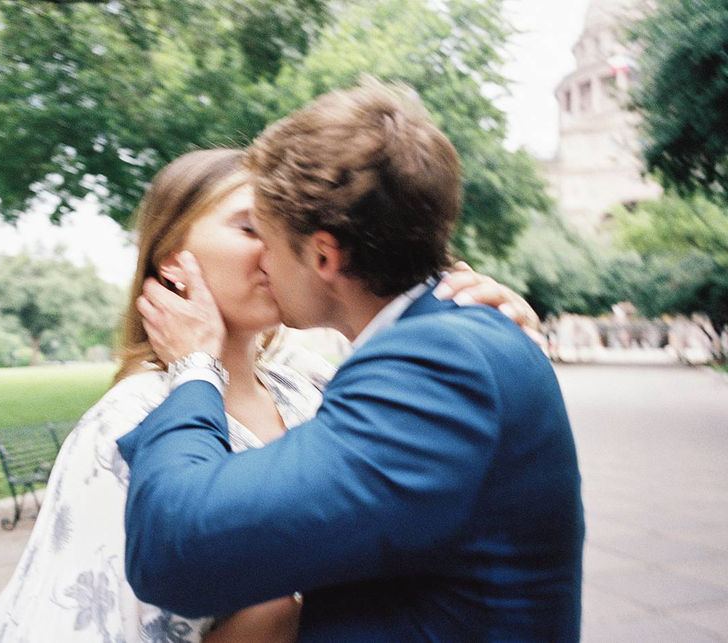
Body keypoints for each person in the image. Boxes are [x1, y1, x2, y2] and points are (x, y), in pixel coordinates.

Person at [0, 146, 539, 642]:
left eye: (284, 230)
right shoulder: (129, 419)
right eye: (249, 228)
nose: (277, 250)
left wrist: (474, 325)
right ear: (173, 261)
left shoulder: (311, 382)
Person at [120, 80, 584, 640]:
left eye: (263, 235)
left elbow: (173, 551)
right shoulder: (451, 338)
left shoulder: (440, 365)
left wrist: (195, 367)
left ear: (323, 255)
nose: (261, 260)